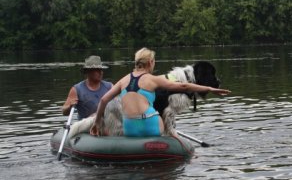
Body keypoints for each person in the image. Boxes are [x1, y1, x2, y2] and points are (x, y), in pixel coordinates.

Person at [90, 47, 230, 137]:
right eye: (154, 61)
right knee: (159, 117)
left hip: (130, 129)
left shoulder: (123, 80)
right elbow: (184, 87)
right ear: (150, 62)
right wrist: (210, 89)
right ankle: (170, 136)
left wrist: (96, 123)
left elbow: (103, 100)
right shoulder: (154, 79)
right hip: (151, 128)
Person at [62, 55, 113, 120]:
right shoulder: (76, 89)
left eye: (101, 69)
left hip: (106, 124)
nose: (101, 72)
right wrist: (69, 106)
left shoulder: (110, 87)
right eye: (97, 70)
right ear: (88, 71)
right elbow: (64, 112)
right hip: (85, 125)